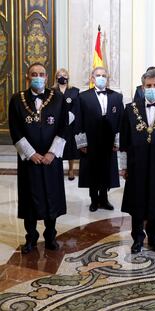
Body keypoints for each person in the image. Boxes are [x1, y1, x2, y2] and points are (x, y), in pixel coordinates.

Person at [8, 63, 67, 254]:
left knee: (52, 196)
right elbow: (15, 130)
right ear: (27, 77)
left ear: (47, 77)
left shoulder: (57, 98)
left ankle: (50, 236)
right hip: (29, 160)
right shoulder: (17, 99)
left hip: (51, 158)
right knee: (30, 198)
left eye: (41, 74)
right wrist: (31, 153)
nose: (38, 77)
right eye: (34, 74)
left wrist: (52, 153)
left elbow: (64, 127)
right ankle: (31, 238)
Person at [119, 69, 155, 254]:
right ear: (142, 87)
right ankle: (137, 238)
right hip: (137, 164)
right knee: (137, 201)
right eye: (148, 86)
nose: (152, 89)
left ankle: (154, 238)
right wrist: (123, 166)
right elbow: (124, 140)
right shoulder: (130, 109)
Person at [75, 67, 124, 212]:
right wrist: (81, 142)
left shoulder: (116, 96)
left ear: (107, 78)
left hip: (109, 142)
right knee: (92, 171)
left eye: (104, 75)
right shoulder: (83, 97)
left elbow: (121, 120)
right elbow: (78, 121)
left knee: (106, 170)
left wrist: (117, 141)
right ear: (92, 78)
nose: (101, 78)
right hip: (90, 141)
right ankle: (94, 200)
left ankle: (104, 198)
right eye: (98, 75)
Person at [52, 68, 80, 180]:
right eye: (59, 75)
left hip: (70, 124)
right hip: (56, 124)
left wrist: (69, 117)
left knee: (70, 147)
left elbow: (77, 106)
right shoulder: (52, 91)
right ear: (56, 77)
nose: (62, 77)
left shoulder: (74, 90)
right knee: (57, 145)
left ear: (68, 77)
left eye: (64, 74)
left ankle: (71, 169)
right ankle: (57, 169)